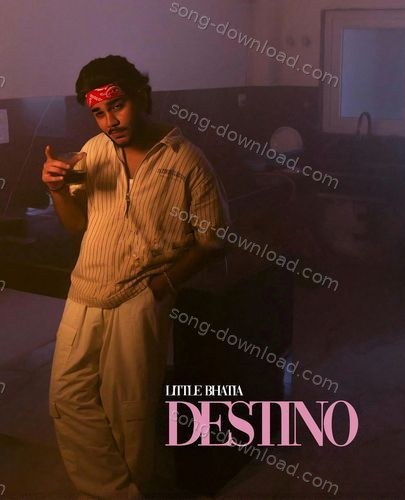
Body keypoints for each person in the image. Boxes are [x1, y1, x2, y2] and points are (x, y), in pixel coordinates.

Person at [42, 55, 230, 499]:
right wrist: (56, 190)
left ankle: (131, 487)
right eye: (98, 112)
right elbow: (76, 224)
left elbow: (214, 238)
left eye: (117, 106)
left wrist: (162, 286)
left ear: (142, 96)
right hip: (84, 293)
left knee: (130, 411)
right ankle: (119, 493)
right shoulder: (92, 151)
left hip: (138, 298)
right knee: (67, 399)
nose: (109, 121)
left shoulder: (186, 160)